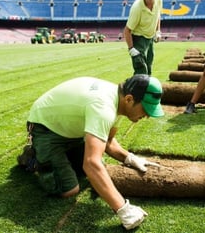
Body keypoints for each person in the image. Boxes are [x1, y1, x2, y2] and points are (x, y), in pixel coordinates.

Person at [17, 74, 164, 230]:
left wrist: (129, 158)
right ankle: (33, 158)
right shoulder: (103, 108)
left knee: (87, 171)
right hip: (45, 128)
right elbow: (91, 164)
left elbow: (107, 141)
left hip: (69, 129)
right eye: (146, 108)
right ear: (129, 99)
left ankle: (59, 155)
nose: (147, 115)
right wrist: (123, 209)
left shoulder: (117, 100)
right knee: (69, 188)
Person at [124, 0, 163, 75]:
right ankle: (134, 89)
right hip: (139, 38)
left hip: (150, 38)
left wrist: (158, 31)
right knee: (141, 69)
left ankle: (146, 89)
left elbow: (157, 16)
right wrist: (131, 49)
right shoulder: (137, 8)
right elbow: (127, 30)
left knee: (149, 67)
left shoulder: (159, 0)